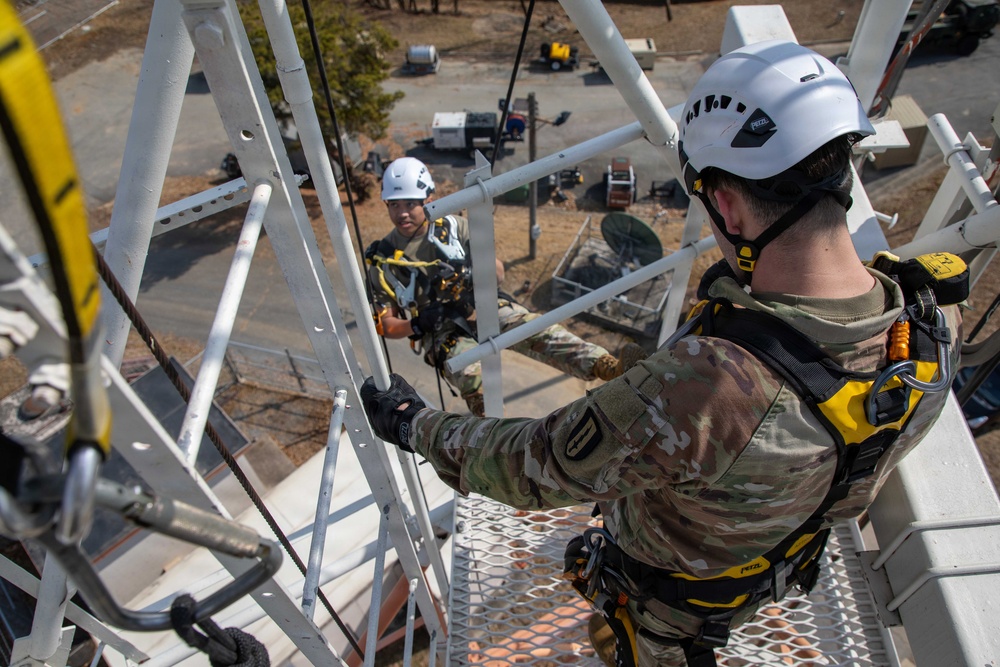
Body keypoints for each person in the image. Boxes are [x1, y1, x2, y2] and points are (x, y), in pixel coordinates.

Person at [361, 41, 966, 667]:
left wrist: (413, 425)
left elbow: (527, 465)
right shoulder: (927, 325)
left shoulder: (704, 389)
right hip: (771, 566)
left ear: (726, 204)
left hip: (667, 619)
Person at [365, 156, 645, 417]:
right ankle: (495, 434)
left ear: (429, 197)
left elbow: (497, 273)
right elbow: (385, 324)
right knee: (472, 377)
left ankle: (607, 366)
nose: (402, 213)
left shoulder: (456, 228)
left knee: (535, 329)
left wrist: (477, 268)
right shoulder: (384, 259)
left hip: (478, 303)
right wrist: (416, 325)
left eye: (410, 203)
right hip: (438, 330)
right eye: (394, 205)